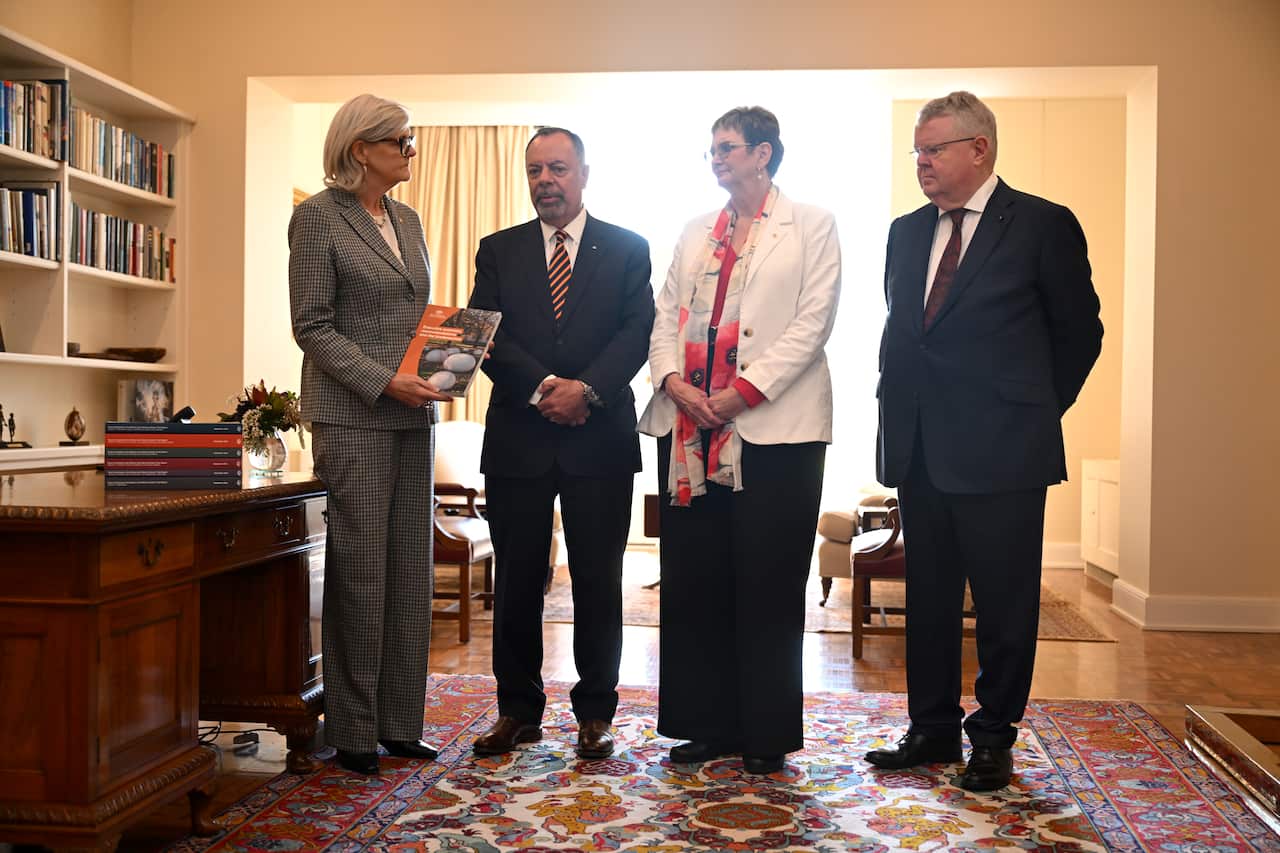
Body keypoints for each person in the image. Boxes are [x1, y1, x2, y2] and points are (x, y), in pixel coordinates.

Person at [866, 91, 1103, 791]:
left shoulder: (1040, 224)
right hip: (919, 445)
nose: (922, 163)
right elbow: (908, 329)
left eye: (934, 149)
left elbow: (1078, 335)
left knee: (1003, 605)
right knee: (929, 598)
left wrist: (1028, 412)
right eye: (916, 151)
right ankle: (931, 728)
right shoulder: (906, 231)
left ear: (980, 149)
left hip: (1005, 448)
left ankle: (994, 735)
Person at [638, 106, 842, 775]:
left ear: (763, 153)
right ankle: (705, 724)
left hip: (775, 432)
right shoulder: (696, 230)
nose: (716, 159)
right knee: (697, 584)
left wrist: (741, 392)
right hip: (691, 428)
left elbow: (811, 324)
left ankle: (764, 731)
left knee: (767, 582)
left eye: (727, 148)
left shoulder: (811, 224)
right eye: (712, 150)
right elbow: (666, 311)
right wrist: (671, 378)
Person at [468, 127, 654, 760]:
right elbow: (484, 336)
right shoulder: (498, 250)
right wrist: (548, 386)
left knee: (599, 581)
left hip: (598, 438)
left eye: (558, 168)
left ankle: (595, 715)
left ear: (583, 174)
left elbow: (637, 334)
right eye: (535, 170)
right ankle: (517, 711)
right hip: (519, 437)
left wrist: (588, 392)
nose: (545, 180)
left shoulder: (629, 249)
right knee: (516, 580)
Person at [289, 93, 451, 776]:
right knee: (359, 573)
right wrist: (385, 379)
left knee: (410, 569)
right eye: (402, 142)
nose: (411, 151)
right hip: (353, 413)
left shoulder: (409, 220)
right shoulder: (316, 218)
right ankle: (354, 730)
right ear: (362, 148)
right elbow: (312, 324)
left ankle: (399, 722)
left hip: (414, 414)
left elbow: (414, 318)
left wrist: (450, 355)